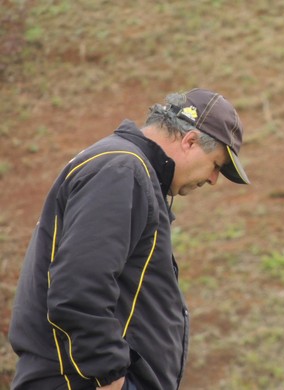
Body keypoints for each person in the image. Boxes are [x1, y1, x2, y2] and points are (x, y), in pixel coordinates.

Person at [8, 88, 250, 390]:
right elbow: (78, 286)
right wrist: (111, 377)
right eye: (216, 165)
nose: (214, 180)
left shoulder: (126, 168)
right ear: (189, 141)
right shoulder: (122, 169)